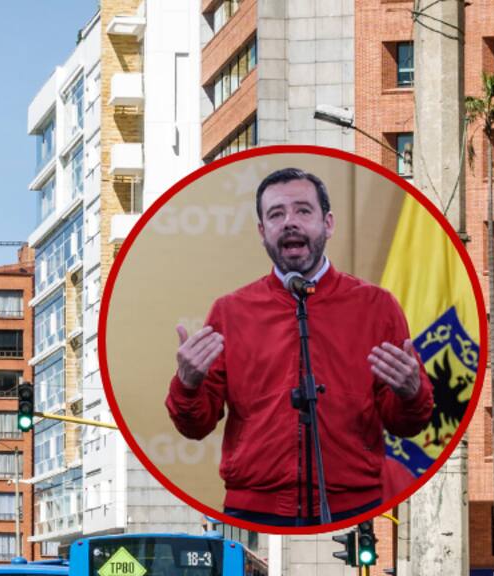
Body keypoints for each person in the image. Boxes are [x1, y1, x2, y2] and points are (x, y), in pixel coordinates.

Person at [165, 167, 435, 527]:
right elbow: (195, 426)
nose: (290, 222)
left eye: (303, 211)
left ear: (328, 223)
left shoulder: (376, 306)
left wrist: (411, 392)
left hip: (355, 504)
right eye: (276, 214)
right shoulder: (230, 311)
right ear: (262, 232)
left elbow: (406, 424)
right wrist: (188, 384)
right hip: (253, 507)